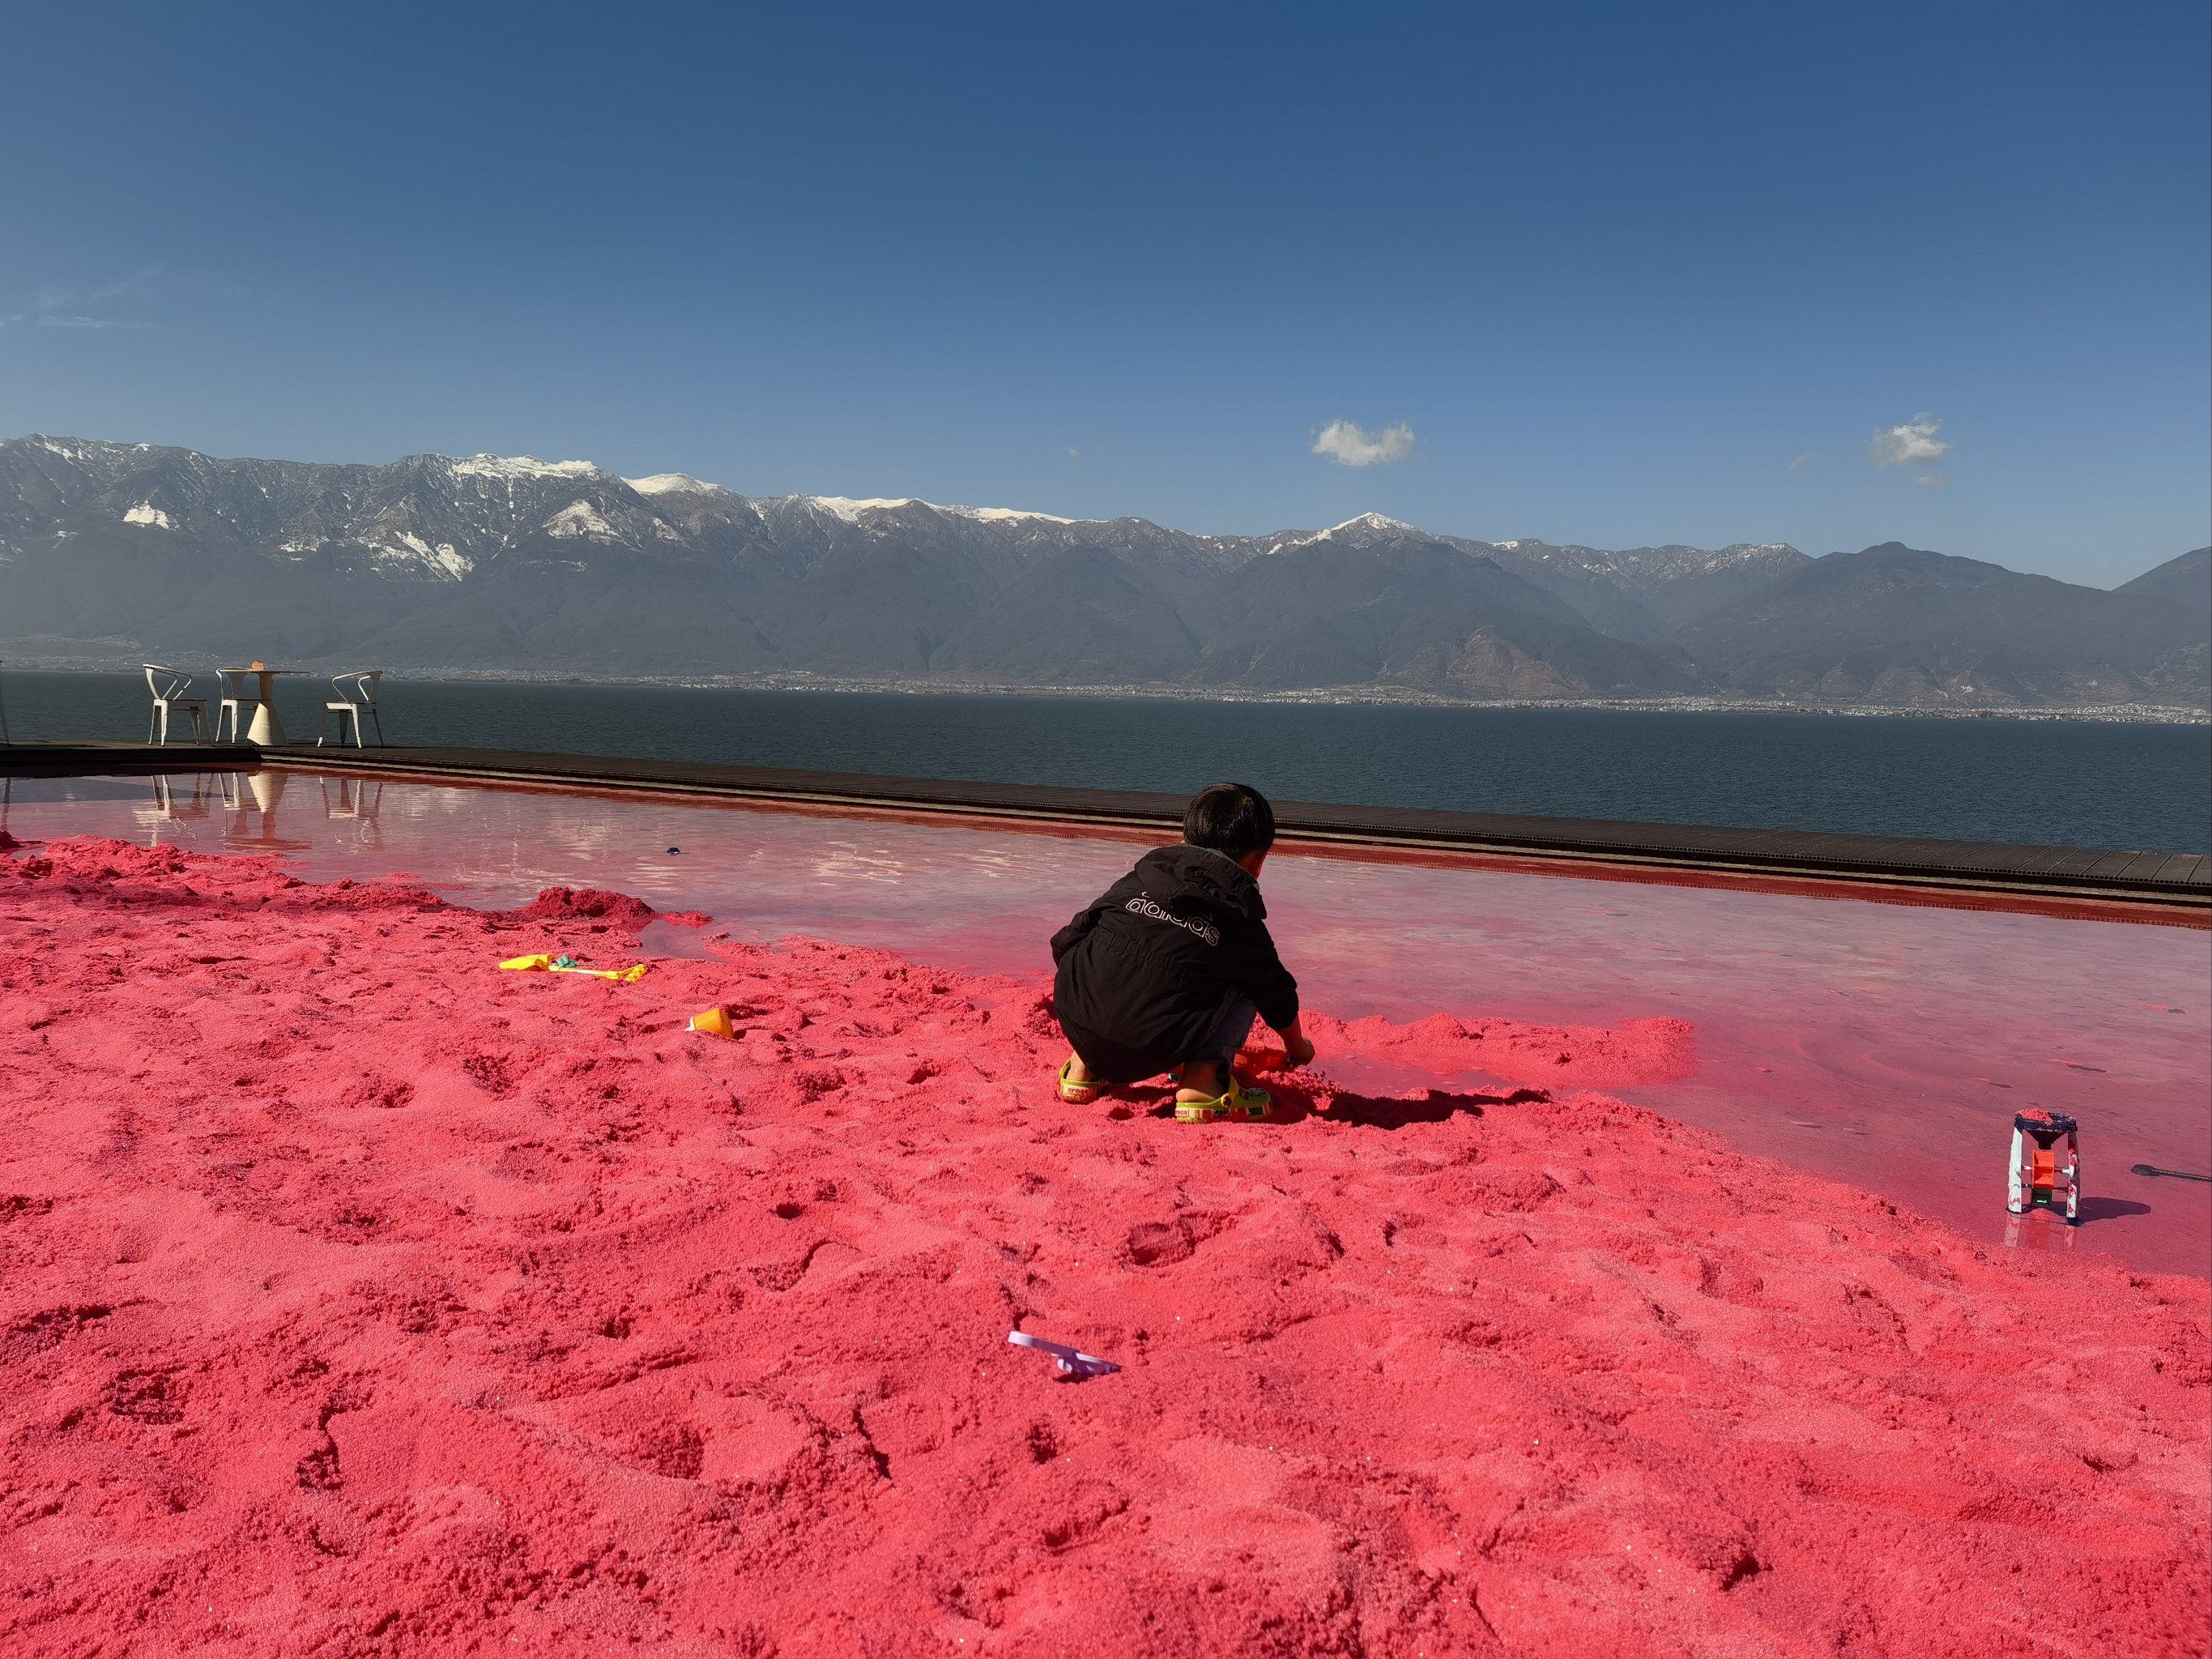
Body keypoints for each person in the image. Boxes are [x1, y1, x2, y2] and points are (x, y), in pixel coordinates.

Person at [1051, 781, 1315, 1122]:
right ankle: (1203, 1084)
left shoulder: (1138, 880)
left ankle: (1083, 1070)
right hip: (1150, 1046)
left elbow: (1067, 940)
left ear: (1185, 838)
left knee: (1111, 948)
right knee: (1249, 972)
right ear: (1257, 862)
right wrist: (1298, 1047)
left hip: (1079, 1024)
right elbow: (1277, 994)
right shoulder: (1240, 921)